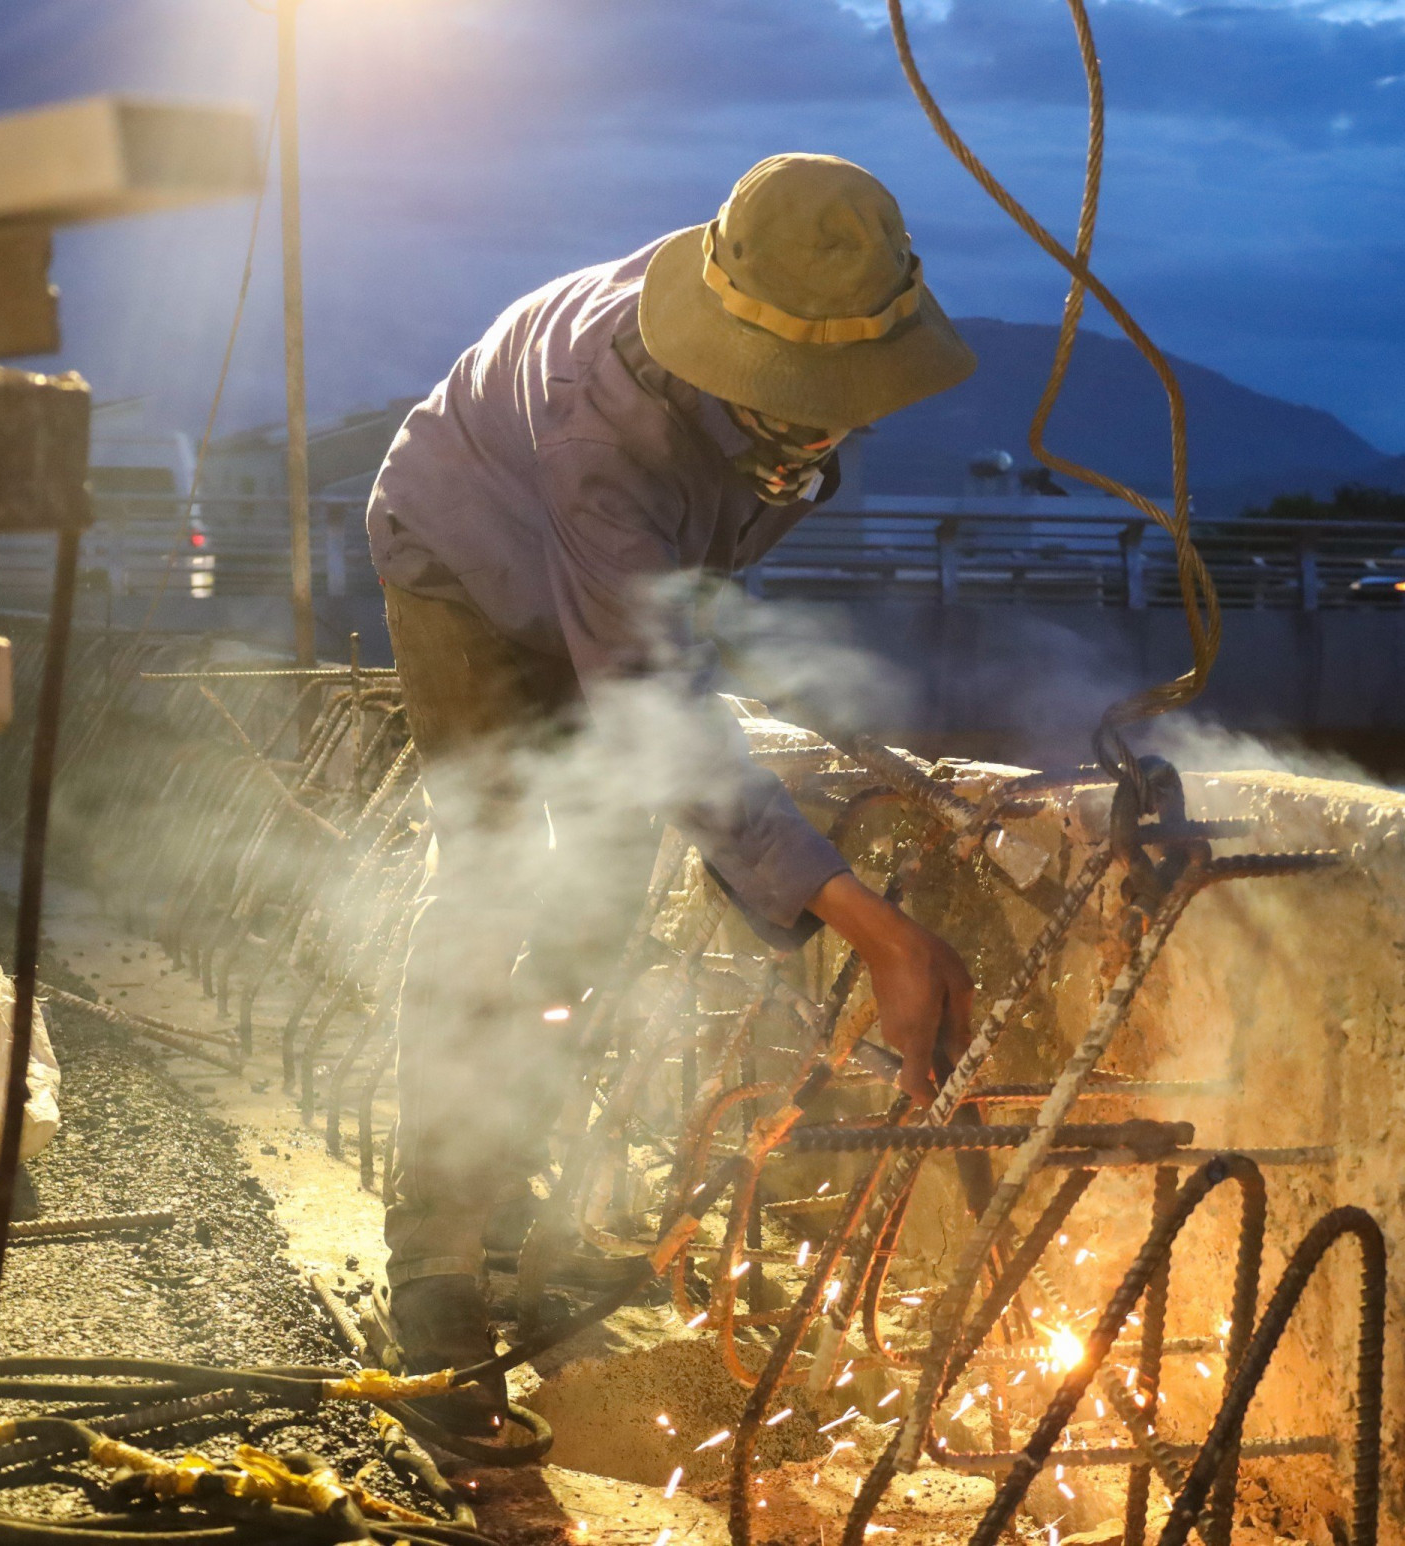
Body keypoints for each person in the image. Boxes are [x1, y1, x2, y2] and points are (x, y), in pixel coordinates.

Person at [362, 154, 979, 1411]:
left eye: (838, 403)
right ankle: (432, 1257)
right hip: (463, 563)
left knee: (588, 909)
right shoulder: (605, 423)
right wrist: (874, 929)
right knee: (493, 885)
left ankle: (507, 1200)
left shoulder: (782, 296)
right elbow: (655, 711)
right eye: (794, 405)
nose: (821, 427)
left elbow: (663, 626)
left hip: (603, 590)